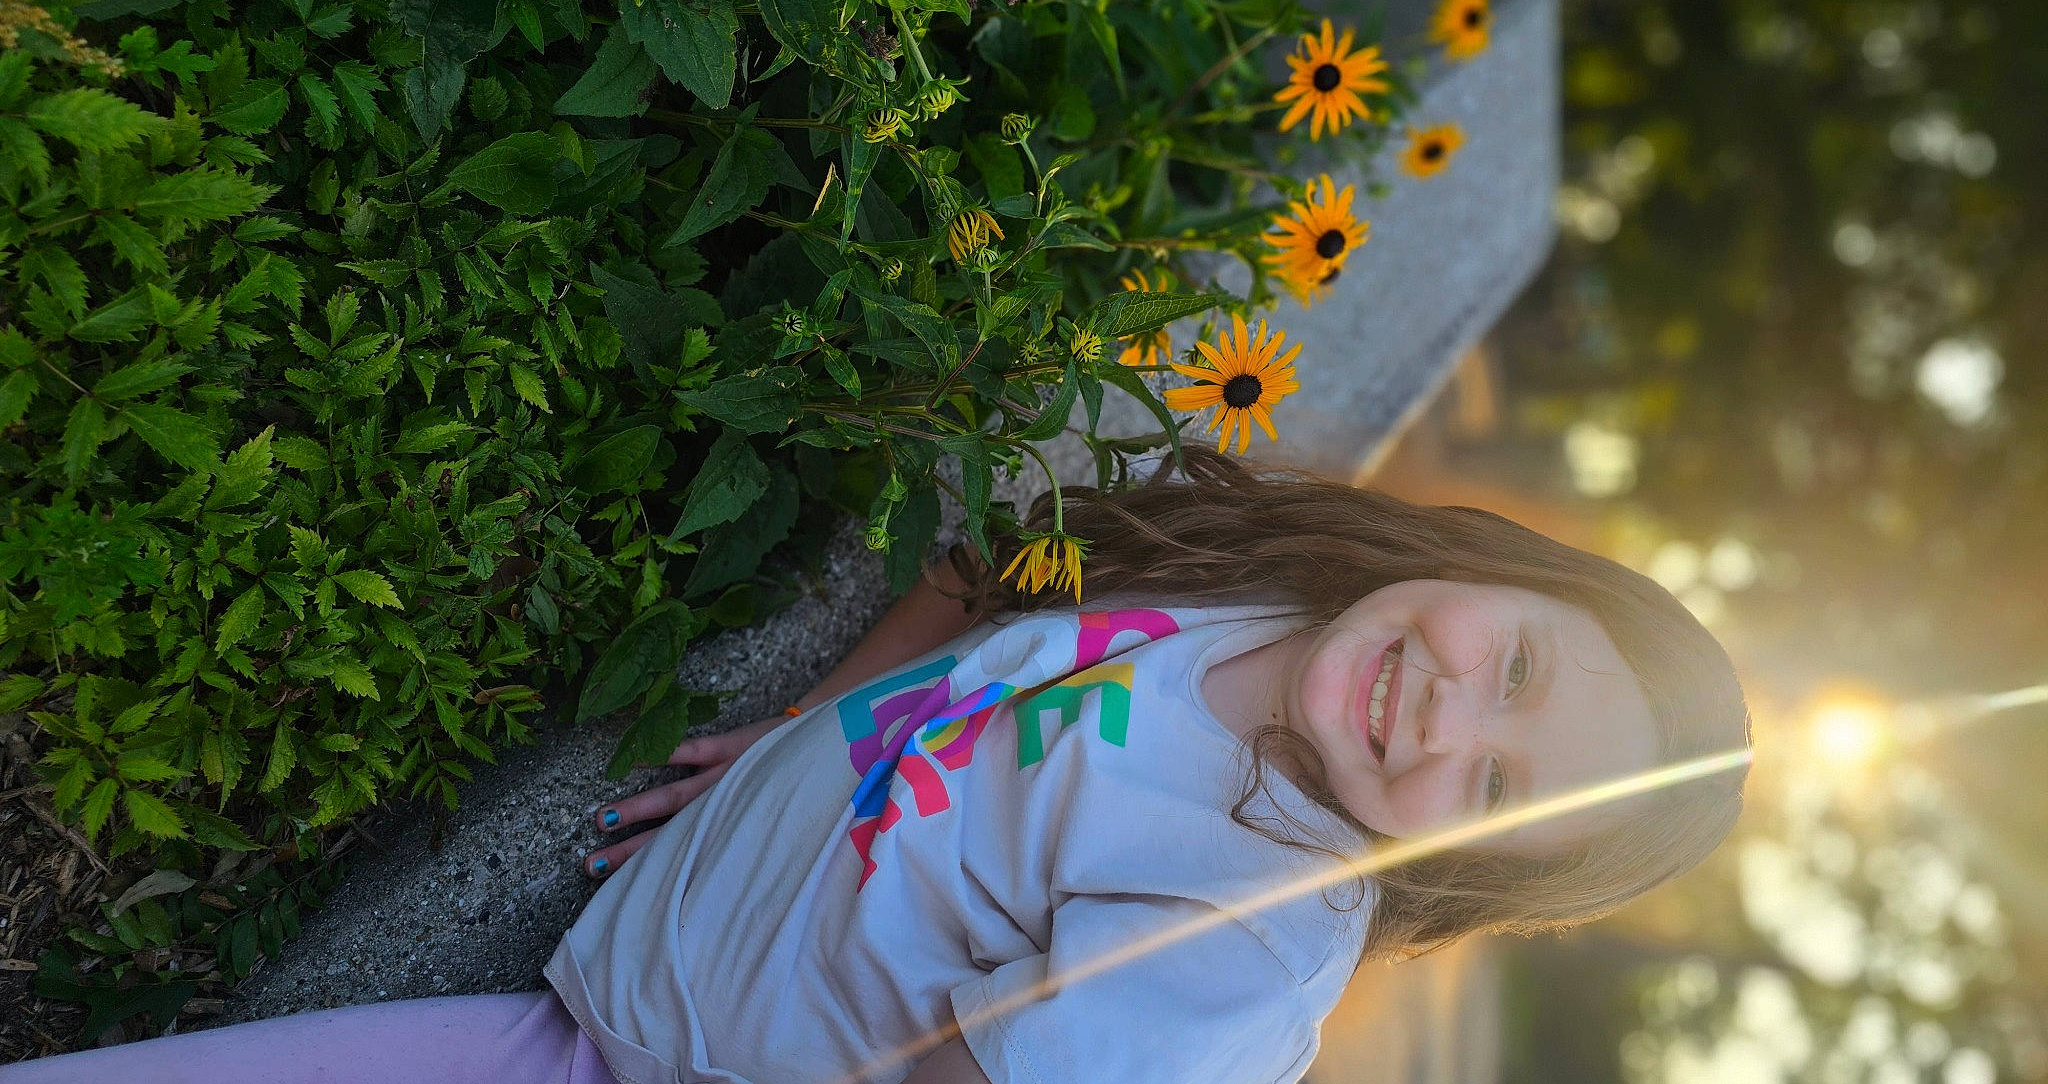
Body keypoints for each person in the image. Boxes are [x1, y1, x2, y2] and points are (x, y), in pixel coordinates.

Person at [2, 451, 1751, 1084]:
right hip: (585, 1006)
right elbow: (1001, 562)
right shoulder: (1261, 578)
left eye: (1499, 786)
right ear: (1514, 566)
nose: (1444, 717)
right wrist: (811, 719)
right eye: (1512, 661)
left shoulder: (1241, 931)